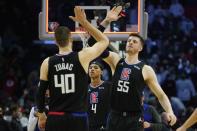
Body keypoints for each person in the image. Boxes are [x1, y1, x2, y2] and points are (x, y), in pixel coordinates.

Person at [87, 6, 177, 131]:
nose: (130, 42)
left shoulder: (146, 69)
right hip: (115, 116)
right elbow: (91, 42)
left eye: (134, 41)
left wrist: (170, 111)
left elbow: (160, 95)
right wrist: (107, 21)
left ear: (140, 48)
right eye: (129, 40)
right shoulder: (116, 60)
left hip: (134, 119)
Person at [35, 6, 109, 131]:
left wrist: (42, 115)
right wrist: (84, 23)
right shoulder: (82, 57)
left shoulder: (47, 62)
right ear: (71, 39)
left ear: (56, 42)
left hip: (55, 117)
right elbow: (104, 40)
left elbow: (40, 92)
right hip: (77, 117)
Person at [88, 61, 112, 131]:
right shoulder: (84, 88)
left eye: (96, 68)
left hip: (105, 126)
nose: (92, 69)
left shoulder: (109, 86)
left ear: (102, 72)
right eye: (90, 68)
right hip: (88, 126)